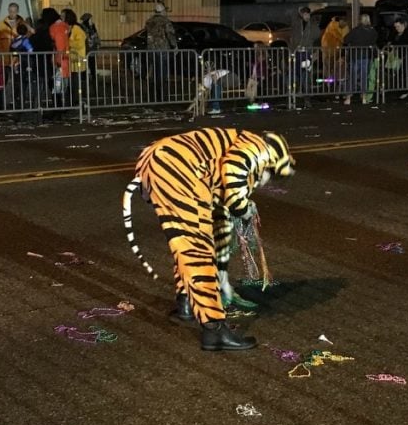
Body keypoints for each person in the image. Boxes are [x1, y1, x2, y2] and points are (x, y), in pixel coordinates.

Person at [122, 129, 296, 351]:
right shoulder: (260, 149)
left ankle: (186, 302)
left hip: (158, 160)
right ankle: (214, 328)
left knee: (184, 241)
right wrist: (243, 208)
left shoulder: (234, 139)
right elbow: (233, 175)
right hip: (179, 167)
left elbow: (217, 189)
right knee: (197, 249)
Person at [342, 13, 378, 106]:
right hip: (366, 56)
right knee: (364, 77)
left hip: (355, 56)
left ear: (360, 20)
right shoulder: (372, 31)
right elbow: (374, 40)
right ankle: (364, 98)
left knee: (352, 77)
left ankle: (349, 98)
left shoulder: (356, 30)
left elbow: (345, 39)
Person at [144, 2, 178, 100]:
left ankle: (153, 96)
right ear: (162, 11)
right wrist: (174, 46)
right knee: (163, 74)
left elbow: (147, 34)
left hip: (151, 50)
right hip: (163, 50)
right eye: (164, 10)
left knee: (153, 72)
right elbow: (170, 35)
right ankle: (162, 96)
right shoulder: (166, 22)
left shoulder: (149, 21)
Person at [290, 6, 319, 106]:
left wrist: (314, 53)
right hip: (298, 53)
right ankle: (298, 92)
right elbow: (293, 39)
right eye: (304, 14)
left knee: (306, 75)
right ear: (301, 15)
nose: (306, 15)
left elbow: (316, 36)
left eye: (308, 14)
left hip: (307, 53)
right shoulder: (297, 25)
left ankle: (307, 97)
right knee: (297, 74)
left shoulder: (312, 25)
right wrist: (292, 51)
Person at [65, 8, 88, 106]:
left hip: (77, 60)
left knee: (76, 82)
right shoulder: (66, 29)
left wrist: (67, 42)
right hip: (69, 60)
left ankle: (77, 101)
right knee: (70, 82)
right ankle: (71, 100)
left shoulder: (77, 29)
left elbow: (80, 43)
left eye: (63, 16)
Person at [80, 12, 101, 81]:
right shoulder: (82, 27)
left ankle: (93, 76)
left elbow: (96, 36)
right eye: (90, 19)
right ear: (87, 20)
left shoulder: (92, 27)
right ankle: (83, 78)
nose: (92, 20)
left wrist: (98, 43)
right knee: (84, 64)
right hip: (85, 49)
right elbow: (89, 38)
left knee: (92, 64)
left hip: (92, 49)